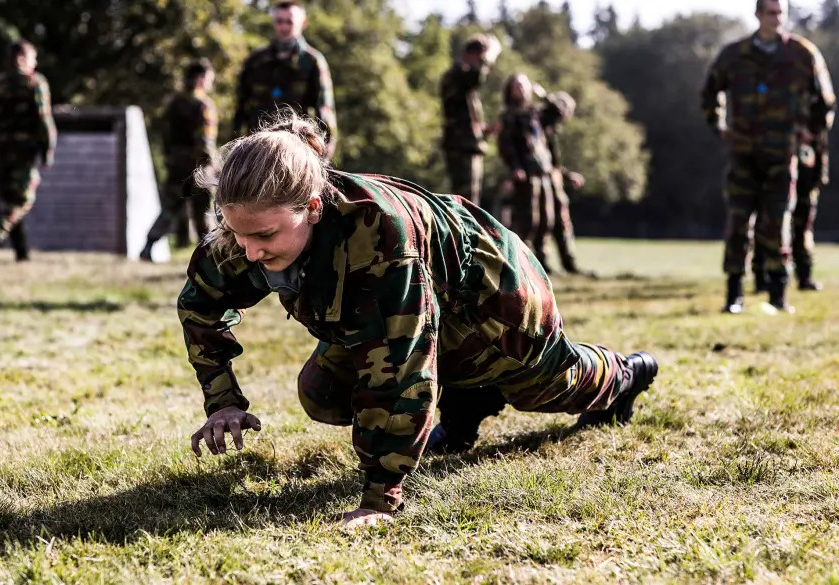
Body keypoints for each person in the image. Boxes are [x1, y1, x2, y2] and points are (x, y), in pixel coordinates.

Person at [179, 113, 658, 528]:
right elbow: (200, 306)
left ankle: (626, 373)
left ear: (313, 208)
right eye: (237, 232)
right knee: (322, 393)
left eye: (264, 236)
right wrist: (222, 402)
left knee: (547, 389)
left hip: (490, 294)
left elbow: (401, 370)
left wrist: (379, 499)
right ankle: (469, 398)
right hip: (418, 305)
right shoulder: (245, 227)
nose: (249, 251)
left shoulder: (381, 240)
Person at [700, 0, 835, 314]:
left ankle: (778, 293)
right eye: (771, 13)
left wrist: (810, 133)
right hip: (744, 153)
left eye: (781, 13)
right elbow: (708, 92)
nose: (777, 19)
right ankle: (734, 294)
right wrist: (718, 126)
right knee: (738, 222)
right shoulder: (734, 56)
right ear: (758, 15)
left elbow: (825, 101)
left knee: (778, 223)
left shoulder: (802, 54)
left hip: (782, 154)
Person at [0, 39, 56, 263]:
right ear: (22, 59)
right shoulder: (34, 83)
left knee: (9, 198)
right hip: (25, 151)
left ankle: (21, 252)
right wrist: (48, 149)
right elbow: (44, 120)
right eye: (32, 59)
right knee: (22, 201)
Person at [232, 0, 337, 157]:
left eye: (289, 22)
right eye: (279, 21)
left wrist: (326, 146)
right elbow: (241, 104)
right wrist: (235, 142)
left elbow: (324, 108)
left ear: (303, 23)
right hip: (256, 145)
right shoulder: (256, 60)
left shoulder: (312, 61)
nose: (284, 27)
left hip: (297, 149)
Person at [140, 58, 218, 261]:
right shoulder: (202, 105)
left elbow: (164, 135)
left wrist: (170, 159)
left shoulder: (173, 103)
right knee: (204, 211)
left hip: (176, 165)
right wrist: (212, 164)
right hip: (198, 167)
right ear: (201, 78)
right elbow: (204, 140)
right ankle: (209, 256)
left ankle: (148, 246)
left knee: (169, 209)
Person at [751, 132, 830, 292]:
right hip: (779, 166)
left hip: (806, 172)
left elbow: (820, 138)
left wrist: (821, 171)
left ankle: (804, 275)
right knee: (770, 222)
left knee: (803, 226)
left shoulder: (815, 116)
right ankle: (762, 276)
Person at [497, 73, 557, 272]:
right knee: (528, 219)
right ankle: (521, 261)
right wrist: (515, 168)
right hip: (526, 174)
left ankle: (542, 261)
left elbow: (558, 112)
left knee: (546, 219)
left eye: (523, 85)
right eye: (516, 85)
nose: (520, 89)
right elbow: (505, 145)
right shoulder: (508, 115)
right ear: (510, 90)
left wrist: (545, 96)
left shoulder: (536, 112)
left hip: (543, 172)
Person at [439, 34, 502, 206]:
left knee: (469, 201)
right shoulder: (457, 74)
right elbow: (476, 77)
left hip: (467, 146)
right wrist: (491, 53)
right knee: (465, 203)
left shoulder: (463, 79)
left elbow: (463, 116)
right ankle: (461, 234)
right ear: (474, 55)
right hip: (460, 147)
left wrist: (485, 130)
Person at [540, 90, 596, 277]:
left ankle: (568, 264)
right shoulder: (542, 122)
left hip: (553, 180)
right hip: (543, 182)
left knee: (560, 223)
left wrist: (565, 174)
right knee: (545, 222)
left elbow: (551, 161)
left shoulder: (550, 128)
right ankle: (544, 264)